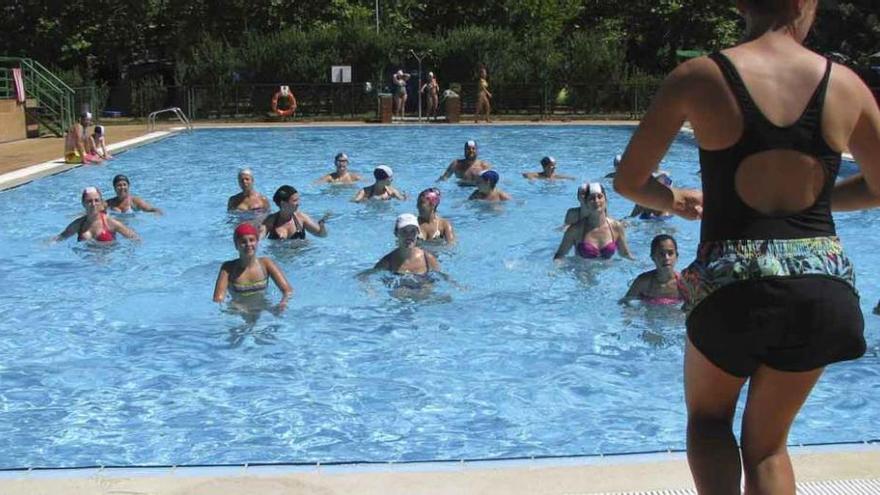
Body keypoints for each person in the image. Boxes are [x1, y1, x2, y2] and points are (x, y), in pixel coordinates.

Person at [613, 1, 873, 492]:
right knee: (768, 446)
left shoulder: (699, 77)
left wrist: (674, 199)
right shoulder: (844, 84)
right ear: (806, 4)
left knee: (710, 421)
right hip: (820, 285)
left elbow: (630, 181)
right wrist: (816, 201)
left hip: (732, 283)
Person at [213, 223, 292, 310]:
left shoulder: (266, 264)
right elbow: (218, 300)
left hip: (263, 308)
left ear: (257, 242)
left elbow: (287, 290)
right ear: (236, 245)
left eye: (252, 240)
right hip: (238, 309)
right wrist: (237, 308)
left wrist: (283, 302)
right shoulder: (228, 268)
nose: (248, 244)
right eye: (243, 241)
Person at [554, 182, 632, 260]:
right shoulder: (575, 230)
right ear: (586, 203)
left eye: (600, 196)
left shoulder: (616, 227)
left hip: (609, 271)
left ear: (606, 200)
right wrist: (556, 270)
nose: (596, 201)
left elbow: (625, 254)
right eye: (591, 198)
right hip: (582, 271)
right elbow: (559, 255)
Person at [54, 187, 138, 243]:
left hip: (108, 264)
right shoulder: (78, 224)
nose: (93, 204)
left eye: (96, 200)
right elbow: (59, 239)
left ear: (101, 202)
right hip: (85, 266)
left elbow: (135, 239)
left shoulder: (110, 223)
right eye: (89, 201)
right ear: (83, 203)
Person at [621, 234, 683, 305]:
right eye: (661, 254)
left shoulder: (684, 284)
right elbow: (625, 302)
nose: (666, 258)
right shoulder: (643, 282)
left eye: (670, 253)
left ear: (677, 256)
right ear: (653, 257)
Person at [373, 214, 441, 274]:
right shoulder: (387, 262)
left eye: (413, 231)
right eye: (404, 231)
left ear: (418, 233)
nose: (409, 236)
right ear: (396, 233)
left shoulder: (427, 259)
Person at [261, 185, 329, 240]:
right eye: (295, 200)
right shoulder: (271, 220)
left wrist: (322, 226)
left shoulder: (301, 218)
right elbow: (258, 240)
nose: (298, 203)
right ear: (283, 203)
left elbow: (321, 235)